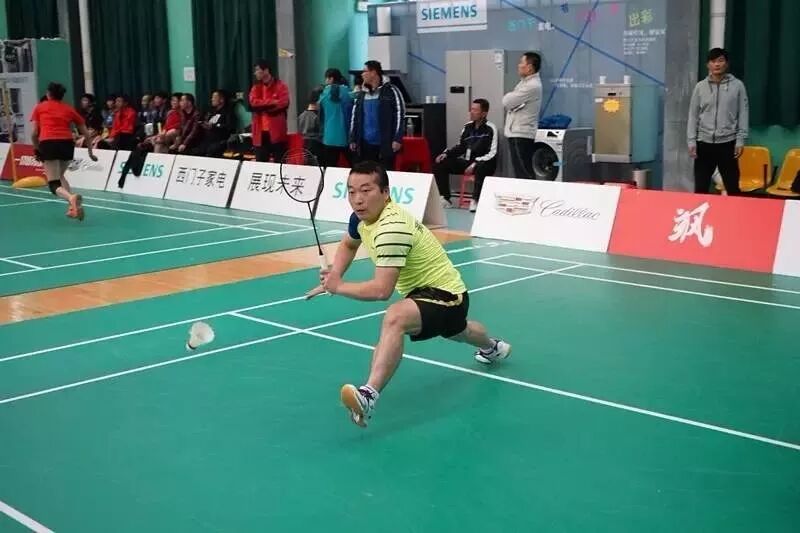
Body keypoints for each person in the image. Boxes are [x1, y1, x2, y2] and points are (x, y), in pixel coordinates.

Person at [305, 161, 512, 428]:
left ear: (385, 193)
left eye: (366, 190)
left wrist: (338, 286)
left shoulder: (391, 228)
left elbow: (381, 290)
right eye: (352, 191)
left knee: (396, 317)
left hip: (446, 294)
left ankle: (368, 395)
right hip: (438, 295)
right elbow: (348, 244)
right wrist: (334, 275)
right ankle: (493, 347)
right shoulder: (361, 218)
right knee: (459, 330)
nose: (358, 199)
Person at [30, 82, 96, 221]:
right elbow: (86, 133)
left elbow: (34, 133)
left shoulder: (40, 107)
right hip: (67, 144)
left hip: (49, 143)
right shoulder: (69, 109)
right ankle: (73, 208)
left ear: (48, 94)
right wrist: (90, 152)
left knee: (53, 184)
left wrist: (37, 149)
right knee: (60, 176)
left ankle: (71, 198)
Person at [688, 47, 749, 196]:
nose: (717, 64)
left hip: (728, 144)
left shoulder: (737, 86)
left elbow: (743, 113)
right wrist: (691, 141)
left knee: (733, 188)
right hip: (704, 144)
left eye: (720, 61)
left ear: (726, 64)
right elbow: (693, 115)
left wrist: (740, 140)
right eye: (713, 61)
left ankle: (735, 212)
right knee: (701, 189)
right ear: (708, 65)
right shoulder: (700, 87)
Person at [433, 98, 498, 212]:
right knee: (441, 163)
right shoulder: (467, 127)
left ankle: (475, 200)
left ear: (484, 113)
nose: (471, 112)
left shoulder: (491, 128)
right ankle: (445, 198)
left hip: (484, 163)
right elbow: (461, 147)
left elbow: (492, 153)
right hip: (467, 162)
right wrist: (446, 154)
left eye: (475, 110)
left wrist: (475, 163)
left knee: (481, 167)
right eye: (471, 109)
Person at [349, 60, 405, 170]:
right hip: (365, 145)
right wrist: (352, 138)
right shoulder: (361, 94)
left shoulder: (391, 91)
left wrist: (397, 138)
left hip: (385, 144)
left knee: (385, 174)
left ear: (373, 72)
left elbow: (400, 114)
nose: (362, 74)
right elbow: (354, 117)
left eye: (364, 71)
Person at [502, 52, 542, 180]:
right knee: (520, 172)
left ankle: (529, 192)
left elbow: (507, 101)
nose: (518, 65)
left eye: (521, 63)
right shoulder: (524, 83)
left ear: (529, 67)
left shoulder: (532, 85)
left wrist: (510, 98)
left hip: (522, 134)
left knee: (524, 173)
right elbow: (511, 102)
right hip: (516, 133)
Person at [249, 60, 290, 162]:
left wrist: (263, 105)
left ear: (266, 70)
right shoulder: (255, 87)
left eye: (257, 70)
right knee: (261, 163)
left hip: (277, 131)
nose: (255, 73)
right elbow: (253, 103)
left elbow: (283, 103)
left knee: (280, 162)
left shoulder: (280, 86)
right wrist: (272, 102)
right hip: (260, 133)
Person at [319, 68, 353, 168]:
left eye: (326, 78)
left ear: (331, 79)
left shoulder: (324, 93)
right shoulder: (348, 92)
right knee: (355, 165)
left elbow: (319, 110)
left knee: (330, 168)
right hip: (345, 136)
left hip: (329, 137)